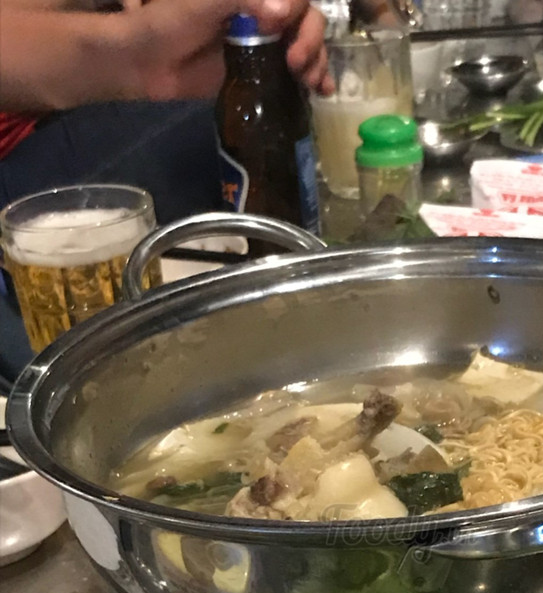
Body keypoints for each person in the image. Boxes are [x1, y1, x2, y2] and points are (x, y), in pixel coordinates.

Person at [0, 0, 330, 377]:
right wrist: (132, 48)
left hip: (65, 97)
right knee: (214, 114)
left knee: (260, 92)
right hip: (22, 174)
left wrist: (142, 51)